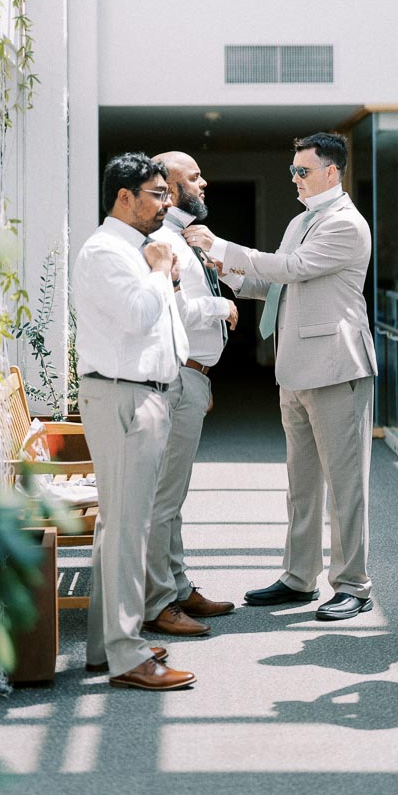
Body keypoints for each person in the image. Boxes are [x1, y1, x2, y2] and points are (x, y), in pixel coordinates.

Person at [184, 132, 377, 621]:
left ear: (332, 172)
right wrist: (224, 268)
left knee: (345, 485)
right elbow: (271, 283)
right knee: (302, 482)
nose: (294, 178)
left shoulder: (346, 225)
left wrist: (224, 244)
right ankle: (299, 577)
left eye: (303, 170)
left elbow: (294, 268)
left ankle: (353, 584)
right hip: (294, 367)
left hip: (336, 367)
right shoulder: (300, 220)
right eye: (292, 170)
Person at [72, 152, 196, 692]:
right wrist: (161, 270)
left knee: (116, 527)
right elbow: (140, 315)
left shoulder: (135, 249)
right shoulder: (107, 252)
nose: (166, 203)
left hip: (142, 394)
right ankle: (127, 654)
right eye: (157, 194)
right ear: (125, 197)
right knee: (127, 529)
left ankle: (107, 645)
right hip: (123, 398)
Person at [143, 151, 239, 637]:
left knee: (174, 496)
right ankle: (159, 602)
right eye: (194, 177)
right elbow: (175, 310)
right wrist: (221, 308)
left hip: (192, 377)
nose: (205, 183)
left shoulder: (182, 237)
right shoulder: (162, 241)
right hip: (179, 376)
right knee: (165, 496)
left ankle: (179, 588)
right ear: (170, 187)